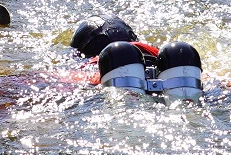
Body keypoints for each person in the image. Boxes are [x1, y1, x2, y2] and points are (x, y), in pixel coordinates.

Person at [68, 16, 204, 101]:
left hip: (117, 76)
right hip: (173, 79)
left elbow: (65, 84)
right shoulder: (155, 51)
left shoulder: (97, 61)